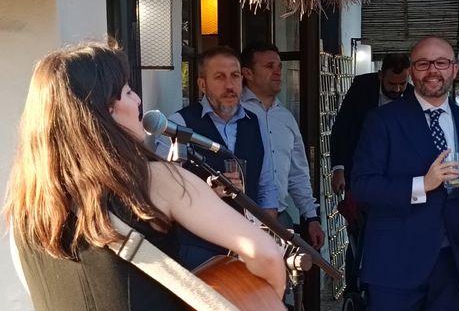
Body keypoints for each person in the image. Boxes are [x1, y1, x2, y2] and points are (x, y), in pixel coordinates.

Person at [4, 42, 286, 311]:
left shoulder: (24, 206)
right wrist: (263, 300)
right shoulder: (158, 180)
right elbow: (266, 254)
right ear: (105, 110)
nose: (138, 99)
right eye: (127, 91)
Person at [351, 37, 459, 311]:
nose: (433, 70)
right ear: (412, 71)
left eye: (441, 63)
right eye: (423, 63)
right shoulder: (382, 121)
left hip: (452, 264)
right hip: (395, 263)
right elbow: (362, 186)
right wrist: (421, 185)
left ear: (454, 69)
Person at [155, 46, 278, 269]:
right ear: (202, 84)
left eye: (235, 76)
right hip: (198, 249)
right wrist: (209, 193)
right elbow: (163, 195)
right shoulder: (179, 125)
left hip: (247, 245)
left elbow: (266, 186)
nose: (230, 86)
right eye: (220, 77)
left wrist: (267, 235)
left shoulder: (255, 122)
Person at [329, 52, 412, 294]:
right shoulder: (362, 88)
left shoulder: (412, 97)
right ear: (380, 76)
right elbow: (342, 129)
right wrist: (339, 169)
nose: (397, 89)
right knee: (359, 232)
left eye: (402, 84)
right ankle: (355, 287)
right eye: (391, 84)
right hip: (361, 172)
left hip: (397, 179)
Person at [240, 42, 324, 249]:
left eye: (279, 67)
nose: (277, 72)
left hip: (279, 218)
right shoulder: (234, 113)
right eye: (269, 66)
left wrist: (311, 217)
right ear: (248, 73)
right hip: (239, 218)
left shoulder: (286, 118)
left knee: (283, 281)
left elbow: (297, 172)